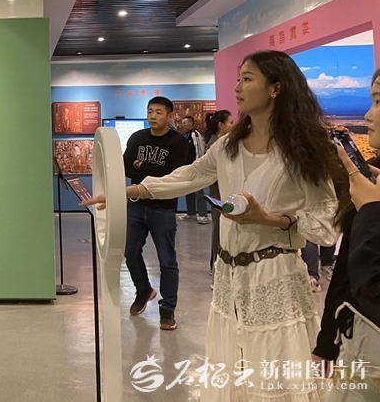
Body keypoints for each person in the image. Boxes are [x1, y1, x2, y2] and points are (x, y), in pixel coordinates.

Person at [85, 50, 344, 400]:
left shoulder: (300, 149)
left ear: (276, 88)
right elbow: (190, 175)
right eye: (238, 79)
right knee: (232, 372)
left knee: (274, 375)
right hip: (228, 277)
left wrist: (271, 219)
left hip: (276, 277)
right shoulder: (228, 146)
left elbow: (327, 221)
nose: (237, 88)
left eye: (247, 79)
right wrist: (125, 191)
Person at [92, 96, 189, 330]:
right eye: (150, 111)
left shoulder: (178, 142)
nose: (153, 116)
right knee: (130, 251)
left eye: (158, 112)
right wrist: (148, 170)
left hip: (163, 208)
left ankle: (168, 308)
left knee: (167, 260)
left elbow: (171, 174)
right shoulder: (138, 138)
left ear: (169, 116)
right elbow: (125, 167)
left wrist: (141, 166)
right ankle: (143, 289)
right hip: (135, 204)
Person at [314, 68, 380, 400]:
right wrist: (327, 339)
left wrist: (371, 209)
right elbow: (346, 272)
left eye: (379, 101)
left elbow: (371, 286)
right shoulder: (373, 177)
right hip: (354, 336)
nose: (368, 115)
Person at [203, 109, 233, 286]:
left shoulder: (223, 143)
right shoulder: (215, 145)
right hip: (219, 195)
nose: (233, 126)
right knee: (219, 231)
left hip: (224, 195)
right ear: (221, 125)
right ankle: (216, 269)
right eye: (230, 123)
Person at [179, 115, 209, 224]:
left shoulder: (195, 135)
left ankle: (203, 215)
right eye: (183, 123)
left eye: (186, 123)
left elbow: (200, 150)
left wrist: (198, 165)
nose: (184, 125)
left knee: (199, 191)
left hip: (196, 167)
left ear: (191, 123)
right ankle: (191, 213)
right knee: (188, 190)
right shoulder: (185, 136)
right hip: (187, 168)